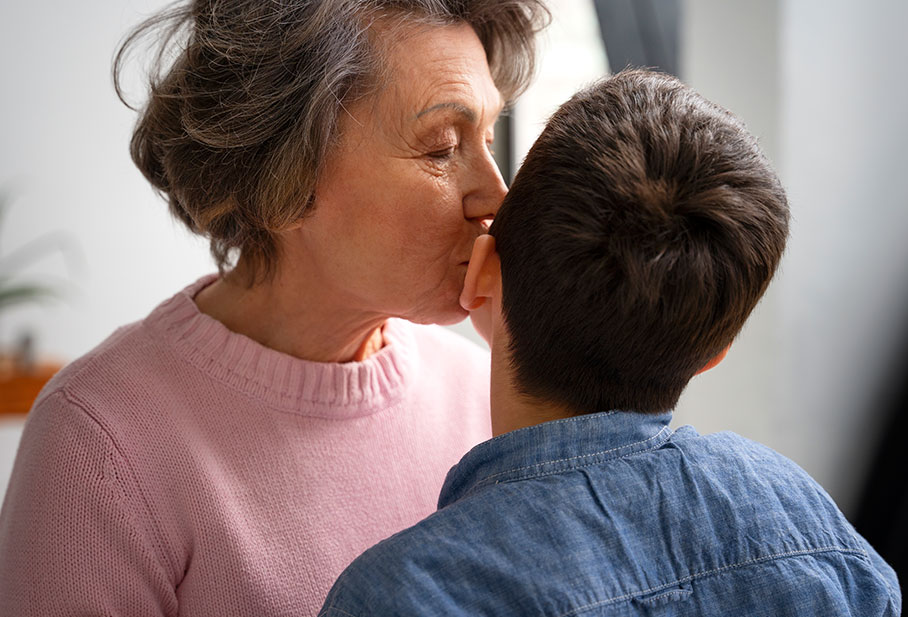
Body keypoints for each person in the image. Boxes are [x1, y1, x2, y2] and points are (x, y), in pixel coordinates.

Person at [0, 1, 549, 615]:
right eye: (443, 147)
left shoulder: (487, 398)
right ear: (285, 172)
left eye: (489, 139)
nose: (496, 194)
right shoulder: (98, 443)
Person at [318, 70, 902, 616]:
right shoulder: (806, 525)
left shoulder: (403, 593)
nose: (487, 187)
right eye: (446, 146)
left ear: (484, 274)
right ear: (714, 352)